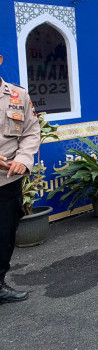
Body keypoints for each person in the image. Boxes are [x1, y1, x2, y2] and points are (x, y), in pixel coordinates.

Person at [0, 53, 41, 304]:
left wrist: (24, 159)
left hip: (7, 180)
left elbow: (31, 131)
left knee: (4, 234)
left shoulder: (17, 95)